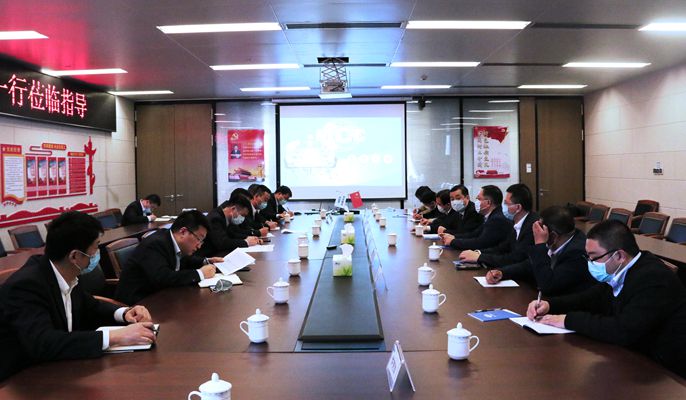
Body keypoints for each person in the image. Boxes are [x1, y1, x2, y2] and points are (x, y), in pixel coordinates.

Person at [0, 211, 156, 381]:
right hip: (21, 379)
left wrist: (124, 313)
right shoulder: (26, 285)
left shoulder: (67, 273)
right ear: (74, 256)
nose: (97, 253)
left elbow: (91, 306)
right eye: (96, 247)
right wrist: (114, 337)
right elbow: (43, 342)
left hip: (61, 368)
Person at [527, 220, 686, 378]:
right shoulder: (622, 270)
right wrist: (550, 305)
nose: (590, 263)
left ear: (619, 255)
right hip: (633, 355)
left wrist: (568, 320)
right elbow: (589, 299)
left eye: (594, 258)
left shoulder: (654, 279)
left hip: (664, 371)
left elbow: (622, 330)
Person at [115, 210, 222, 305]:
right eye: (199, 239)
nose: (199, 246)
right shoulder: (155, 244)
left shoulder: (170, 239)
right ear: (183, 232)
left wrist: (205, 261)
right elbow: (163, 278)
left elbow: (184, 260)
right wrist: (200, 274)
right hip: (138, 304)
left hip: (161, 297)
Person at [486, 205, 595, 295]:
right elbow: (529, 265)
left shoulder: (577, 252)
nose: (536, 234)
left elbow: (547, 286)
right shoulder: (558, 242)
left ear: (553, 236)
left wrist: (540, 245)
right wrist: (503, 272)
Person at [459, 183, 537, 268]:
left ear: (518, 207)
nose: (503, 207)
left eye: (506, 204)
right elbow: (503, 248)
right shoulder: (515, 222)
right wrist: (478, 253)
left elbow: (515, 258)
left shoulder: (532, 227)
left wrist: (480, 257)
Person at [440, 185, 512, 250]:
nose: (476, 202)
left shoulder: (496, 219)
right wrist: (454, 237)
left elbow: (480, 242)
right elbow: (474, 234)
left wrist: (453, 241)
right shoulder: (490, 217)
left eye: (479, 199)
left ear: (488, 203)